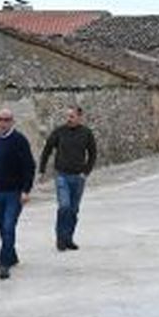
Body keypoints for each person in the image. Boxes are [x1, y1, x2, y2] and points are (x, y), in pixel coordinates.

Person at [0, 107, 35, 280]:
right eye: (0, 119)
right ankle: (11, 255)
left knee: (8, 225)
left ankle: (4, 263)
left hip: (15, 192)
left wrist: (26, 190)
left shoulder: (19, 140)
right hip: (0, 191)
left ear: (12, 121)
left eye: (6, 119)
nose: (2, 123)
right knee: (1, 225)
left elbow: (29, 166)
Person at [38, 105, 98, 251]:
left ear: (79, 117)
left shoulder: (86, 133)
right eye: (67, 116)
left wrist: (86, 172)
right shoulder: (59, 132)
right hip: (62, 175)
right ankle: (60, 237)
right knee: (64, 206)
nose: (69, 119)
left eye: (72, 116)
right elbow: (47, 150)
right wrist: (42, 170)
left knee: (73, 209)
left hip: (78, 177)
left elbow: (92, 154)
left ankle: (69, 238)